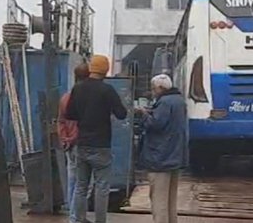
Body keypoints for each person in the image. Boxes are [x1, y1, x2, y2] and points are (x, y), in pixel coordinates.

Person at [67, 55, 127, 223]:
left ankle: (78, 219)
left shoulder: (77, 88)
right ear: (106, 70)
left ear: (91, 68)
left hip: (82, 144)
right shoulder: (107, 90)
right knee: (101, 187)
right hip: (101, 145)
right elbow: (122, 114)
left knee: (81, 185)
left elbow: (70, 114)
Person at [135, 74, 188, 223]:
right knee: (171, 200)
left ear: (160, 88)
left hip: (160, 158)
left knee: (159, 200)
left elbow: (156, 124)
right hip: (175, 156)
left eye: (153, 89)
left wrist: (144, 114)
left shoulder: (164, 102)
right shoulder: (179, 101)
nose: (152, 92)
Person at [58, 62, 90, 219]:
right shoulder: (84, 98)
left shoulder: (65, 98)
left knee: (72, 180)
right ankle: (76, 216)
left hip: (69, 144)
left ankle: (73, 213)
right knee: (83, 184)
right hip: (81, 143)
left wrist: (65, 139)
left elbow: (61, 121)